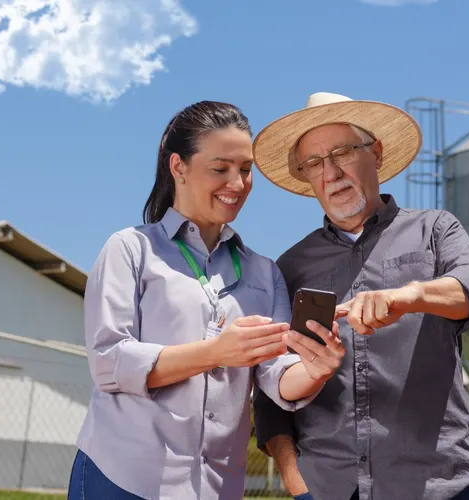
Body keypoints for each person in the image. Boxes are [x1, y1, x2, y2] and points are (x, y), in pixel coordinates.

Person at [68, 100, 347, 500]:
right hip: (123, 478)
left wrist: (318, 368)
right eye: (221, 169)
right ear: (178, 166)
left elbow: (276, 374)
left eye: (245, 170)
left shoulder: (264, 273)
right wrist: (216, 352)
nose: (237, 183)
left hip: (215, 487)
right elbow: (110, 362)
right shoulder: (130, 250)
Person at [250, 92, 469, 500]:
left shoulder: (436, 231)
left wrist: (408, 296)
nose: (330, 172)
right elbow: (270, 387)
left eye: (343, 152)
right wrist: (295, 479)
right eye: (314, 162)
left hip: (436, 486)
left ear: (376, 153)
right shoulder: (290, 266)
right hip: (328, 489)